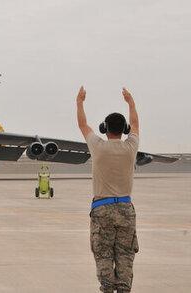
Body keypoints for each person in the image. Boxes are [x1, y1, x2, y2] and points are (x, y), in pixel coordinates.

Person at [77, 86, 140, 293]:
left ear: (105, 128)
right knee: (125, 255)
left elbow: (83, 125)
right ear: (125, 129)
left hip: (102, 209)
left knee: (103, 254)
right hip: (125, 208)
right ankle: (123, 288)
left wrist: (80, 101)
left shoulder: (98, 146)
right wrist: (130, 102)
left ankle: (107, 288)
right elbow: (136, 124)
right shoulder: (131, 147)